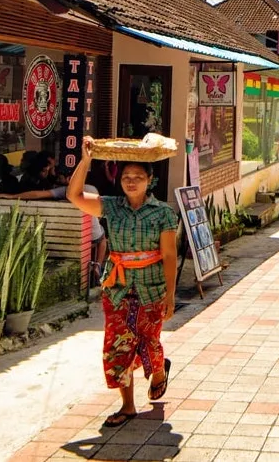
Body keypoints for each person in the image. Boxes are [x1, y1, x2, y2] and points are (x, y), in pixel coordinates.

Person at [66, 137, 178, 428]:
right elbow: (74, 195)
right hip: (117, 290)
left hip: (151, 288)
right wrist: (87, 160)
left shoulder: (163, 213)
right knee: (118, 346)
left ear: (149, 181)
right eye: (127, 177)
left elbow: (168, 254)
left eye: (138, 177)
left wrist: (170, 295)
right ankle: (127, 406)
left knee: (149, 342)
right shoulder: (111, 207)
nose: (131, 182)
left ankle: (159, 372)